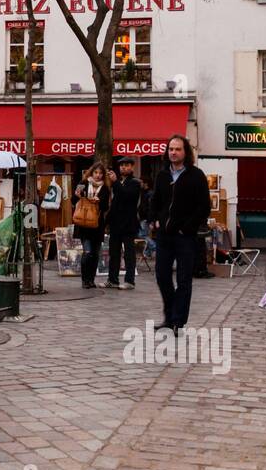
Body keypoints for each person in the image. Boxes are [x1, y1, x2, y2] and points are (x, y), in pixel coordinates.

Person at [149, 135, 211, 332]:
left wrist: (187, 227)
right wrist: (154, 219)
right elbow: (155, 202)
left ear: (185, 152)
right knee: (162, 276)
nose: (173, 152)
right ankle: (170, 315)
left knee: (184, 279)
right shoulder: (162, 176)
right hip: (164, 235)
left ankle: (177, 321)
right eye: (170, 149)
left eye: (177, 149)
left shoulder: (196, 175)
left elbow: (204, 207)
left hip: (185, 236)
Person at [104, 157, 142, 290]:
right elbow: (115, 203)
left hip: (128, 224)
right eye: (121, 166)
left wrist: (115, 183)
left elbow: (127, 196)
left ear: (132, 167)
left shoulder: (135, 183)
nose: (123, 168)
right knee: (114, 253)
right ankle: (112, 280)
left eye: (126, 165)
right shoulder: (119, 182)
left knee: (129, 254)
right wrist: (107, 221)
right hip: (116, 224)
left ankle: (129, 281)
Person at [73, 163, 110, 290]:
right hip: (83, 224)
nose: (98, 175)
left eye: (100, 173)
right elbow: (73, 200)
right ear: (91, 173)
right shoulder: (83, 182)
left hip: (97, 225)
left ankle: (91, 280)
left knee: (95, 254)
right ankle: (84, 280)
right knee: (87, 253)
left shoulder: (105, 188)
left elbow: (106, 207)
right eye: (96, 173)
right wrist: (78, 195)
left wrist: (99, 201)